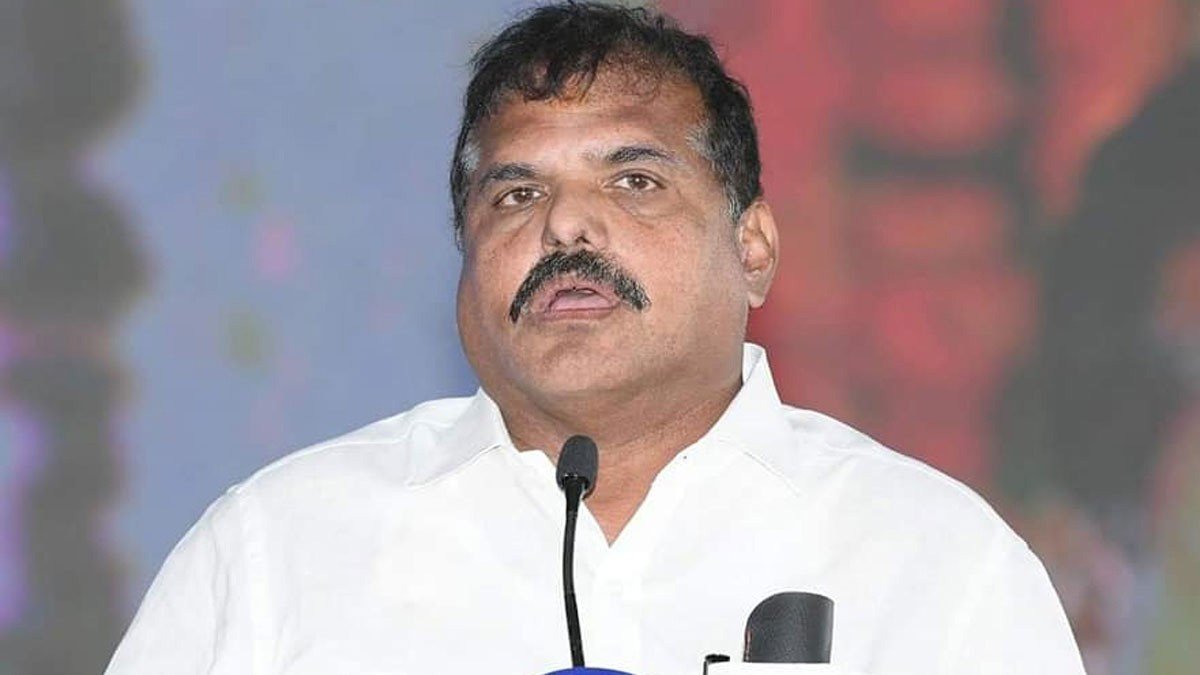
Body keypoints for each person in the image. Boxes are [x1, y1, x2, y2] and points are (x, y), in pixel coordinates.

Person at [105, 4, 1084, 674]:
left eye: (634, 181)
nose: (565, 225)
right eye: (516, 193)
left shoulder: (933, 562)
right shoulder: (279, 552)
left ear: (752, 249)